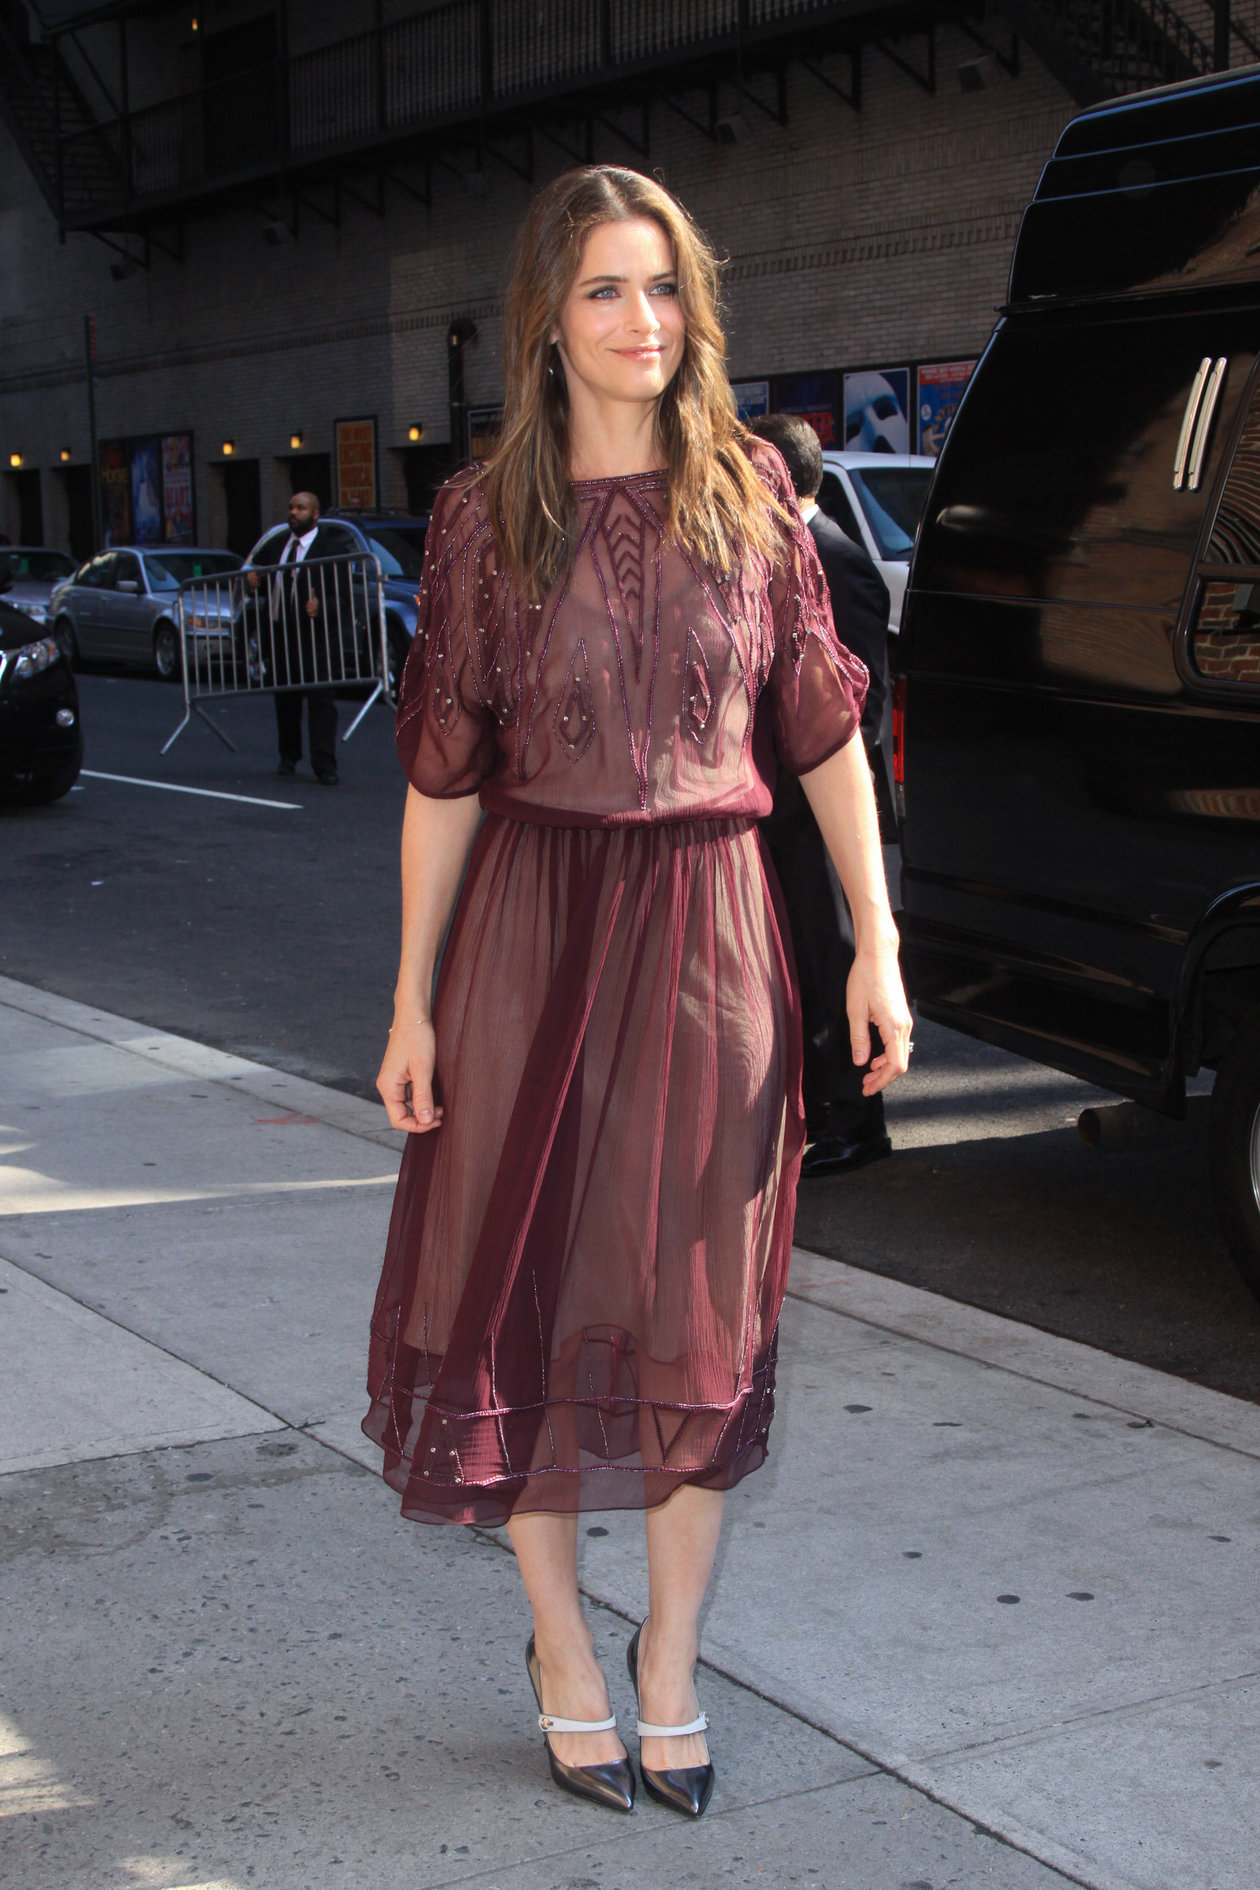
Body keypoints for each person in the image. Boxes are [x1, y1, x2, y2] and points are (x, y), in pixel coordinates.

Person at [365, 166, 911, 1823]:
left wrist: (877, 943)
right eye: (605, 289)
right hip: (531, 932)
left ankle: (669, 1656)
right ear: (547, 316)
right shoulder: (483, 517)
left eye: (665, 287)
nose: (643, 323)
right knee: (520, 1293)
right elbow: (446, 773)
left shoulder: (754, 492)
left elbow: (817, 731)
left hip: (714, 938)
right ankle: (562, 1646)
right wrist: (411, 1001)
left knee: (697, 1320)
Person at [751, 412, 895, 1177]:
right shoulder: (781, 558)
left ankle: (857, 1118)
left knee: (839, 960)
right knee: (800, 966)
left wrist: (815, 798)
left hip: (823, 817)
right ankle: (820, 1107)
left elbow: (860, 713)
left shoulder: (837, 561)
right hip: (781, 813)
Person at [246, 490, 346, 784]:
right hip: (282, 634)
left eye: (300, 508)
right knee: (285, 701)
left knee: (321, 702)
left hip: (315, 637)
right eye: (291, 507)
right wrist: (254, 580)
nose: (293, 512)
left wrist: (322, 607)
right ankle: (288, 757)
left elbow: (342, 593)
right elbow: (260, 576)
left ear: (315, 515)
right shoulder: (277, 545)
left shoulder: (331, 548)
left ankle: (324, 765)